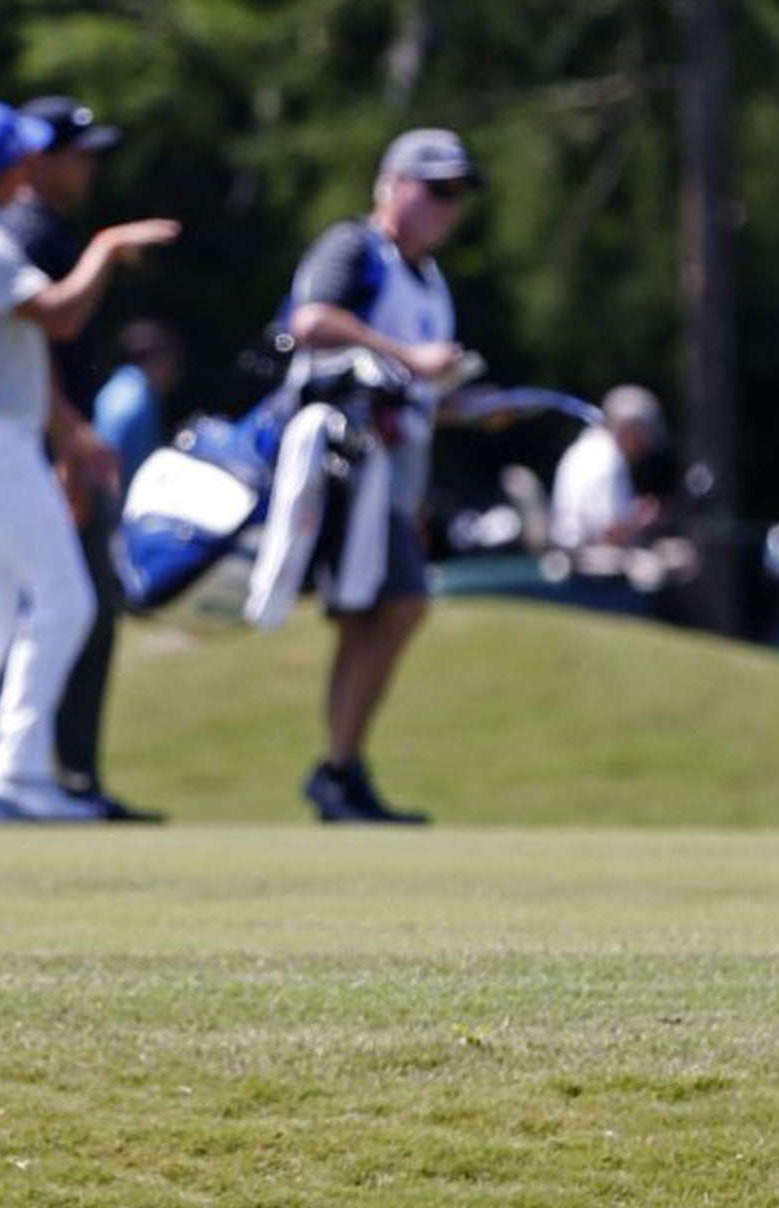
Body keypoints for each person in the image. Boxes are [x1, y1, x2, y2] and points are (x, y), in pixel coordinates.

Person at [0, 100, 177, 828]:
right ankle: (17, 774)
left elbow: (25, 355)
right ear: (11, 166)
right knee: (67, 600)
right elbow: (60, 315)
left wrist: (68, 432)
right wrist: (106, 250)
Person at [285, 129, 482, 825]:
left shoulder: (430, 278)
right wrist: (409, 358)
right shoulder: (354, 248)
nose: (449, 208)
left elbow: (420, 386)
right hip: (345, 468)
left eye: (457, 196)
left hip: (398, 476)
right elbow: (309, 321)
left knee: (380, 611)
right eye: (438, 191)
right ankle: (338, 769)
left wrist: (464, 404)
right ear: (394, 185)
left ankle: (341, 769)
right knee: (399, 603)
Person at [2, 96, 166, 820]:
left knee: (77, 608)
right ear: (36, 157)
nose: (90, 165)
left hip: (65, 441)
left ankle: (65, 775)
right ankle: (39, 773)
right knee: (70, 606)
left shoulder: (48, 230)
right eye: (79, 152)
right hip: (45, 447)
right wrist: (67, 439)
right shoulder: (24, 234)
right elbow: (36, 348)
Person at [549, 385, 668, 550]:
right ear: (630, 429)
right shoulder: (609, 458)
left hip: (575, 555)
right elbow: (609, 533)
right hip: (589, 561)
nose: (644, 446)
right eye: (643, 435)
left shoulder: (586, 446)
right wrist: (643, 521)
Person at [94, 320, 185, 496]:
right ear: (157, 359)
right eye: (173, 362)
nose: (176, 372)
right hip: (116, 501)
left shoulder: (120, 385)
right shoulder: (138, 400)